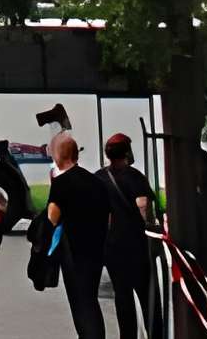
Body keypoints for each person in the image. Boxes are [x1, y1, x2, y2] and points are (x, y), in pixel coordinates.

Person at [45, 134, 118, 339]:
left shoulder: (61, 183)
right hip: (96, 249)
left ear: (60, 155)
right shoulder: (97, 182)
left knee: (80, 302)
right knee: (90, 299)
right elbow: (109, 217)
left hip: (74, 253)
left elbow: (52, 217)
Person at [99, 132, 161, 339]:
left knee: (122, 294)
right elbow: (143, 205)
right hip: (135, 244)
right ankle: (155, 333)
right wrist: (150, 225)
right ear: (127, 151)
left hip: (111, 245)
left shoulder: (99, 177)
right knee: (146, 293)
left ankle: (128, 335)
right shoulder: (134, 176)